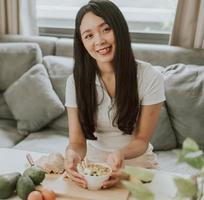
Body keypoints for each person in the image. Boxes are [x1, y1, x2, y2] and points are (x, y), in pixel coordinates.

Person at [64, 0, 165, 189]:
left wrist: (121, 154)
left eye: (106, 29)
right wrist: (72, 154)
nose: (99, 41)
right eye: (89, 35)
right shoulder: (75, 82)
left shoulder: (150, 77)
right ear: (82, 43)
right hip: (92, 170)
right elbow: (77, 142)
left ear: (120, 29)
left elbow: (142, 140)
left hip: (137, 167)